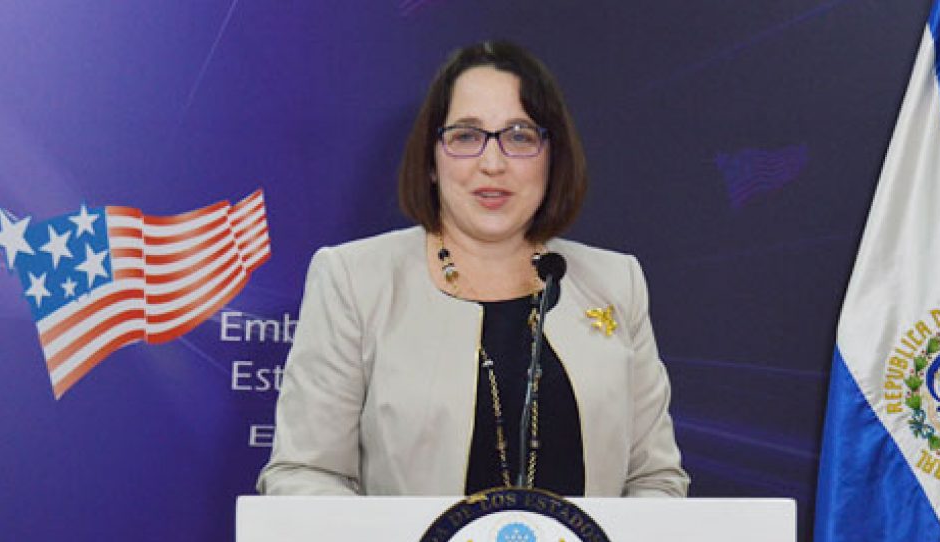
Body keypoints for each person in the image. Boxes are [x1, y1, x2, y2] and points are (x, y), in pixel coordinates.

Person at [257, 41, 689, 499]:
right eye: (466, 136)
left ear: (552, 157)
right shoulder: (354, 280)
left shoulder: (616, 282)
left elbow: (656, 479)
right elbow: (303, 474)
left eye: (519, 136)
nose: (492, 163)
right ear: (431, 160)